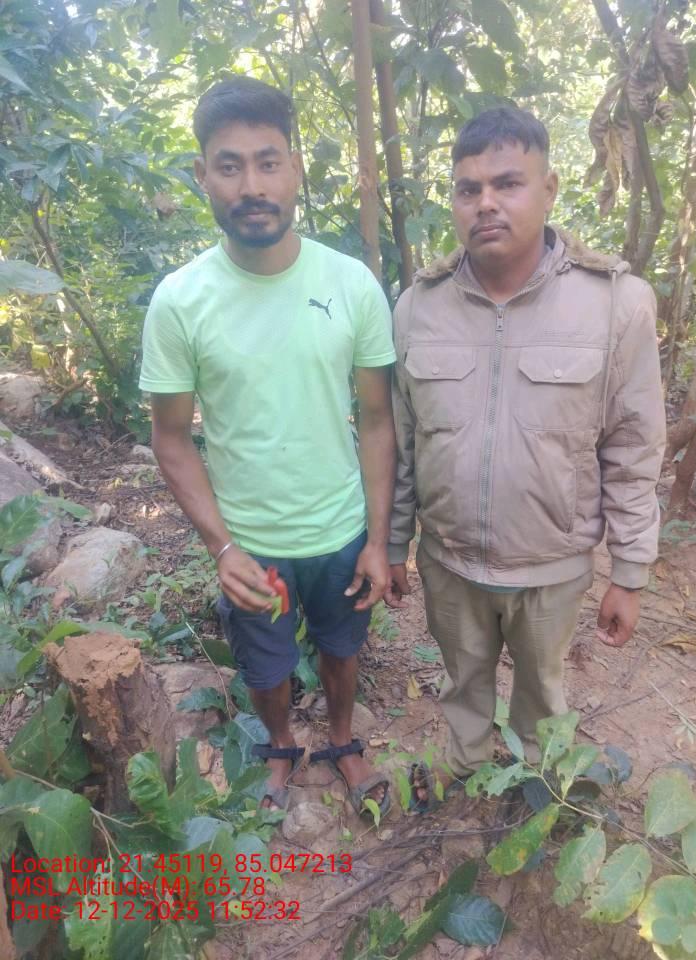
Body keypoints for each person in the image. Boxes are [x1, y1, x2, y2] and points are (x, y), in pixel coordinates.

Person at [385, 107, 665, 790]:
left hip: (551, 567)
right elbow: (403, 442)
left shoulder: (616, 304)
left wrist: (630, 571)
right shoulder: (418, 307)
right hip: (449, 560)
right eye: (468, 189)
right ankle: (465, 770)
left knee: (542, 692)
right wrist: (393, 544)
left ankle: (538, 787)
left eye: (507, 183)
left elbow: (633, 447)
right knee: (462, 682)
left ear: (549, 189)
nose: (486, 203)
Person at [139, 76, 396, 815]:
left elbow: (378, 420)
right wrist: (222, 546)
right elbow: (171, 438)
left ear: (295, 169)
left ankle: (342, 739)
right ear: (203, 175)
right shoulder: (181, 301)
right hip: (252, 547)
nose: (251, 185)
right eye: (229, 165)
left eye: (268, 162)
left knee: (343, 648)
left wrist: (379, 540)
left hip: (341, 532)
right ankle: (281, 745)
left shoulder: (351, 285)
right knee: (265, 663)